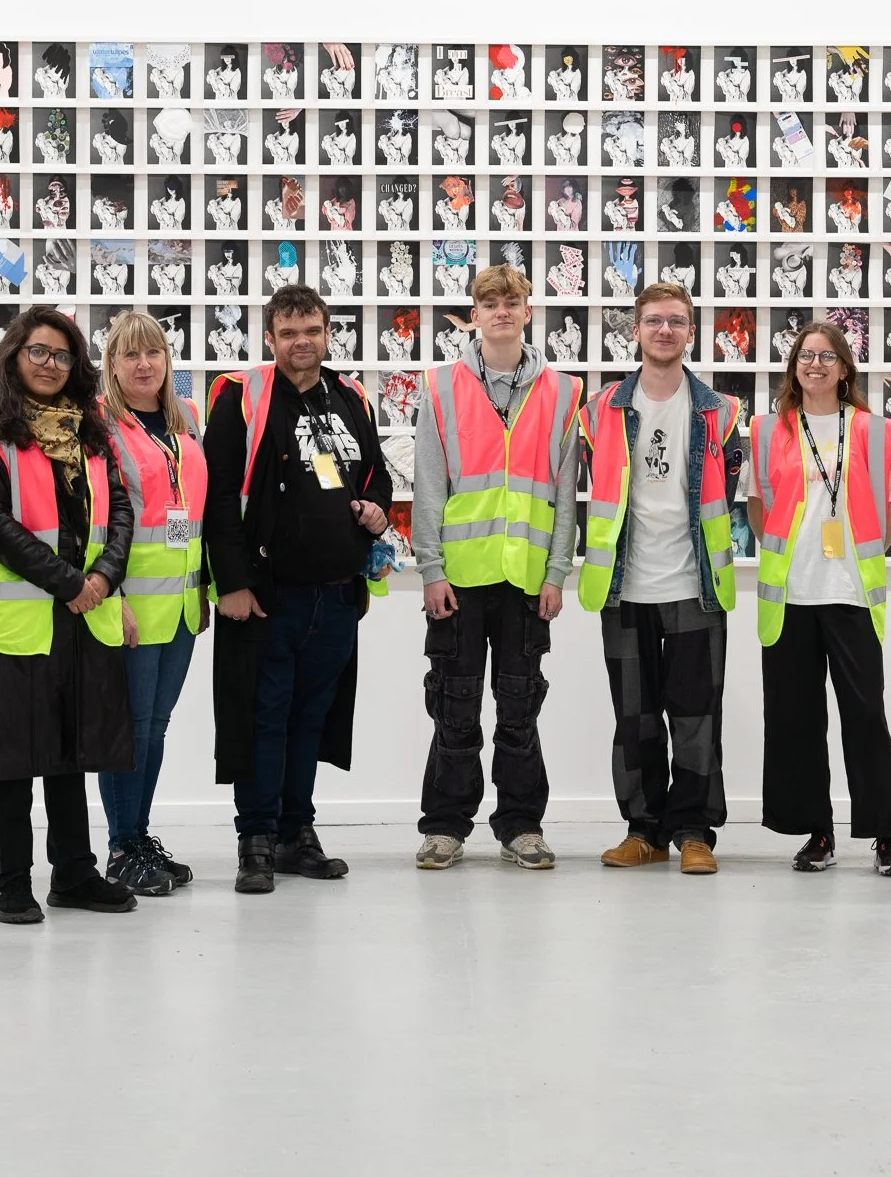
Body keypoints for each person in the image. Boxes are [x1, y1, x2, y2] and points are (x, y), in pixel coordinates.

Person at [0, 305, 138, 924]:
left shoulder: (91, 430)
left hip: (84, 616)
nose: (51, 364)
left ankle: (75, 874)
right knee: (12, 759)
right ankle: (8, 881)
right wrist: (70, 584)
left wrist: (104, 577)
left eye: (62, 355)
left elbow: (120, 510)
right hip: (22, 620)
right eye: (39, 351)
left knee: (71, 751)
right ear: (13, 355)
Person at [204, 285, 393, 894]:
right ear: (269, 339)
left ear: (328, 332)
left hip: (336, 594)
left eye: (311, 330)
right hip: (268, 596)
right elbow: (217, 498)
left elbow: (377, 476)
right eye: (288, 334)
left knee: (311, 718)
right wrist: (231, 582)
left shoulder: (350, 395)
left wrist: (376, 509)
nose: (301, 342)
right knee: (263, 719)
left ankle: (296, 832)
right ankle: (256, 839)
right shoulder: (241, 398)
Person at [412, 265, 583, 871]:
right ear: (474, 316)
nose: (502, 311)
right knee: (454, 705)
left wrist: (557, 572)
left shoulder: (563, 392)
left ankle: (521, 826)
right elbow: (429, 485)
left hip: (527, 580)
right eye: (490, 303)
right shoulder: (440, 386)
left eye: (512, 301)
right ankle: (444, 826)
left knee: (519, 707)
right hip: (458, 578)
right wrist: (430, 569)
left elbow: (565, 493)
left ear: (528, 312)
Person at [579, 283, 742, 876]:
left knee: (698, 715)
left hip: (697, 583)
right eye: (654, 320)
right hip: (623, 585)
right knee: (635, 716)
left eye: (676, 321)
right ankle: (643, 830)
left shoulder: (721, 411)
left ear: (691, 332)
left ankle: (694, 831)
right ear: (637, 330)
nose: (665, 330)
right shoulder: (599, 410)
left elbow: (730, 490)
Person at [745, 321, 891, 875]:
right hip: (790, 595)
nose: (814, 365)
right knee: (796, 719)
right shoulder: (767, 429)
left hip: (851, 593)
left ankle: (885, 834)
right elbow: (757, 506)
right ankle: (817, 832)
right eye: (805, 356)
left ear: (844, 368)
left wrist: (856, 555)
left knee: (865, 715)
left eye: (826, 356)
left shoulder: (873, 430)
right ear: (794, 367)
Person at [95, 310, 210, 897]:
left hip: (182, 605)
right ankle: (121, 848)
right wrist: (111, 597)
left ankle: (139, 837)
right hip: (132, 605)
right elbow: (98, 520)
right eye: (130, 354)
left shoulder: (184, 419)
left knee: (155, 729)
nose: (144, 364)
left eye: (154, 352)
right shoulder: (101, 426)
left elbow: (197, 515)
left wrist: (204, 588)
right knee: (130, 731)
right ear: (112, 365)